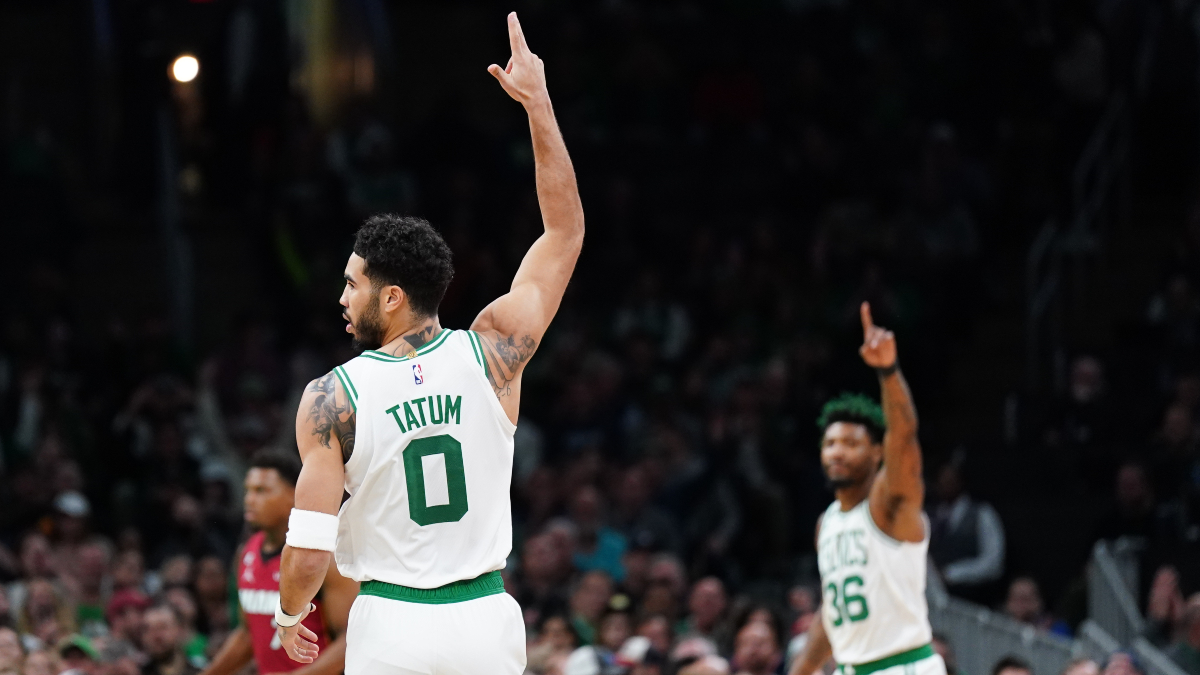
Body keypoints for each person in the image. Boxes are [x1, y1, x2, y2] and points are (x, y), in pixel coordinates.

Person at [274, 12, 584, 675]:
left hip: (393, 622)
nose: (341, 297)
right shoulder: (494, 351)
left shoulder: (333, 396)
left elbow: (307, 546)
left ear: (390, 296)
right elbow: (563, 233)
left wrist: (291, 609)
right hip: (485, 618)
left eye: (352, 285)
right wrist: (539, 105)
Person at [789, 304, 945, 675]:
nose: (837, 452)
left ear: (877, 453)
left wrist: (888, 372)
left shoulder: (888, 506)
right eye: (830, 444)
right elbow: (832, 614)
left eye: (850, 443)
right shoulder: (825, 524)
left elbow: (904, 439)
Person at [201, 451, 358, 675]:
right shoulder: (246, 552)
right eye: (248, 490)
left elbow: (352, 640)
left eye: (261, 491)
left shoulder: (325, 556)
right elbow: (248, 635)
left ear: (295, 494)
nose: (249, 500)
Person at [928, 462, 1005, 603]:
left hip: (973, 598)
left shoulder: (982, 514)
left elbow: (993, 563)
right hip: (933, 600)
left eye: (950, 480)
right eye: (942, 480)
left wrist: (952, 573)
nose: (945, 485)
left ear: (961, 481)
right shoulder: (929, 516)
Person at [140, 605, 198, 675]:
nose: (156, 636)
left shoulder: (202, 672)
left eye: (163, 627)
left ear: (180, 630)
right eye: (148, 630)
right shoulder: (138, 672)